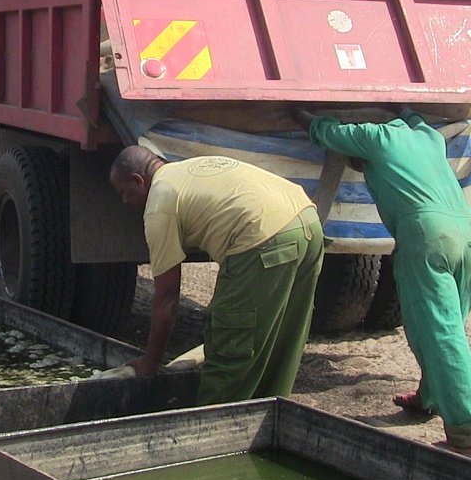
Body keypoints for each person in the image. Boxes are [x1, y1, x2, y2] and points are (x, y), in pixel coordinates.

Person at [297, 107, 471, 460]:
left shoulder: (376, 137)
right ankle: (429, 398)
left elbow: (325, 132)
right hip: (467, 233)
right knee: (451, 325)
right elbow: (414, 115)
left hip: (427, 234)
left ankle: (469, 432)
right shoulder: (428, 137)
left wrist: (298, 113)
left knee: (439, 332)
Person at [108, 146, 324, 405]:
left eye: (123, 192)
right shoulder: (187, 168)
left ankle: (211, 428)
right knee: (282, 341)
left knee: (230, 344)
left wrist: (150, 362)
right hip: (308, 221)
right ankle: (268, 418)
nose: (124, 201)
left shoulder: (158, 204)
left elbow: (167, 298)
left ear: (138, 180)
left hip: (263, 236)